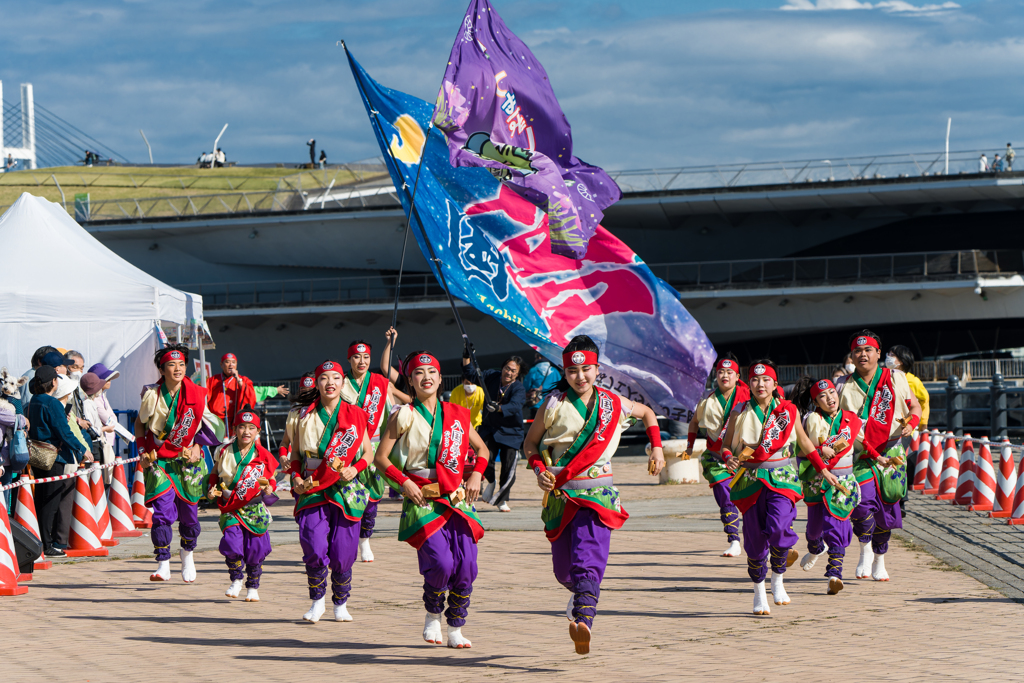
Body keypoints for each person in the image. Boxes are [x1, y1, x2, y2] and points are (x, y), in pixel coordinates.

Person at [523, 335, 665, 654]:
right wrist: (537, 470)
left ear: (597, 369)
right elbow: (529, 444)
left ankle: (584, 619)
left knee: (588, 559)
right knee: (563, 569)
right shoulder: (553, 404)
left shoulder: (613, 403)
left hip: (598, 495)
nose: (580, 376)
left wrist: (657, 448)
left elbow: (647, 414)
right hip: (561, 496)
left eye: (586, 369)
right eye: (573, 371)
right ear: (564, 371)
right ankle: (580, 594)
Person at [373, 350, 489, 649]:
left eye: (432, 373)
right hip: (422, 497)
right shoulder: (403, 414)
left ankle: (456, 627)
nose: (426, 378)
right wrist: (404, 482)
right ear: (410, 381)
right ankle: (432, 615)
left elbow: (483, 451)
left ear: (440, 378)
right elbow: (381, 459)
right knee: (441, 563)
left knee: (467, 566)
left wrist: (476, 474)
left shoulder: (457, 414)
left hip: (457, 497)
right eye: (418, 374)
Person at [723, 360, 819, 616]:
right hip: (750, 480)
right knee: (754, 539)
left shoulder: (788, 411)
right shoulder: (739, 410)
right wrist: (727, 457)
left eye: (766, 379)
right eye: (754, 379)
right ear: (749, 384)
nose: (760, 384)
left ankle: (777, 580)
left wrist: (823, 469)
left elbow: (805, 442)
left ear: (775, 384)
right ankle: (758, 591)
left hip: (782, 478)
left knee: (778, 527)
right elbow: (726, 445)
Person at [287, 359, 375, 623]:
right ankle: (317, 601)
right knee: (313, 544)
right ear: (317, 382)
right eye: (324, 378)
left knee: (343, 550)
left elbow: (369, 453)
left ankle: (341, 602)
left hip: (345, 488)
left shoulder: (356, 414)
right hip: (312, 485)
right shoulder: (302, 414)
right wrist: (294, 474)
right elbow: (294, 453)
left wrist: (356, 467)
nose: (330, 383)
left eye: (336, 377)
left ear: (343, 382)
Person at [836, 330, 921, 582]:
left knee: (887, 506)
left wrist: (912, 422)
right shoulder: (842, 385)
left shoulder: (895, 377)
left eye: (868, 350)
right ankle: (864, 550)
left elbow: (914, 406)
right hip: (860, 455)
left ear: (878, 354)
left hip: (892, 450)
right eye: (858, 351)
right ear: (852, 355)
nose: (863, 355)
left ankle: (880, 556)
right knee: (861, 503)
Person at [134, 345, 210, 583]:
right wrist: (142, 450)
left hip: (188, 463)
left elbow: (210, 427)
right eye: (171, 365)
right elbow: (139, 425)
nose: (177, 369)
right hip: (160, 462)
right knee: (162, 515)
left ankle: (187, 555)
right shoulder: (152, 395)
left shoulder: (198, 394)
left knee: (190, 517)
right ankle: (163, 563)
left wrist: (198, 447)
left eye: (181, 365)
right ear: (162, 369)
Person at [339, 340, 409, 563]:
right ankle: (343, 543)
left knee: (373, 497)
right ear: (349, 359)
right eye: (357, 357)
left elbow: (405, 404)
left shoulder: (380, 382)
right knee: (345, 497)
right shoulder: (339, 383)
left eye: (366, 357)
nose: (362, 361)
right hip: (346, 448)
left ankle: (364, 539)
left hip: (375, 446)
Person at [794, 378, 862, 595]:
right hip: (817, 479)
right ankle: (815, 548)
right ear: (815, 401)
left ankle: (835, 573)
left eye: (832, 392)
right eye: (823, 396)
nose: (829, 398)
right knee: (814, 529)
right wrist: (820, 449)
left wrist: (879, 457)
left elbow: (864, 442)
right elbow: (801, 448)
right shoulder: (810, 419)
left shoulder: (850, 420)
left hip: (843, 478)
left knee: (837, 523)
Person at [209, 405, 278, 602]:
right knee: (231, 542)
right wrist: (211, 488)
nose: (246, 431)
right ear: (234, 429)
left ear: (258, 431)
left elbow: (271, 478)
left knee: (256, 549)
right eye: (241, 427)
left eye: (251, 427)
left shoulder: (263, 454)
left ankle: (253, 586)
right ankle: (236, 578)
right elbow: (214, 473)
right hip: (230, 505)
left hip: (254, 506)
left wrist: (269, 488)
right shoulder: (223, 451)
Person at [685, 355, 748, 557]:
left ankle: (757, 540)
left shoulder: (748, 396)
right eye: (721, 372)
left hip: (744, 459)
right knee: (725, 494)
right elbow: (694, 422)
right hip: (717, 458)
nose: (725, 376)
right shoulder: (707, 400)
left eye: (730, 372)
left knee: (751, 501)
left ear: (738, 376)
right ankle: (734, 539)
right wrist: (689, 446)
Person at [28, 366, 89, 557]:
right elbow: (64, 432)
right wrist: (82, 449)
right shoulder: (52, 403)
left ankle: (40, 541)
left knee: (41, 499)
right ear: (53, 382)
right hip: (54, 456)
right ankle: (47, 545)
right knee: (51, 501)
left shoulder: (34, 401)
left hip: (38, 455)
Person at [463, 350, 525, 512]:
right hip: (490, 428)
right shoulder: (492, 376)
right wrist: (467, 357)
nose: (508, 372)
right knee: (484, 459)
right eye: (507, 368)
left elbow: (515, 406)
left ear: (517, 374)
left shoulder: (518, 388)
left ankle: (502, 499)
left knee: (507, 468)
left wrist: (498, 408)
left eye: (513, 371)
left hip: (511, 433)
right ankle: (490, 481)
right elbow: (470, 374)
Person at [208, 353, 289, 440]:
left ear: (236, 364)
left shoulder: (243, 380)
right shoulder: (213, 380)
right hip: (216, 421)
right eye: (227, 362)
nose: (231, 364)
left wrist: (238, 380)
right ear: (221, 364)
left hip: (234, 422)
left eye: (233, 362)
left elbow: (254, 392)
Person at [87, 363, 121, 482]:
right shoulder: (94, 399)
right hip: (101, 443)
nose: (110, 381)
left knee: (107, 478)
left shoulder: (102, 396)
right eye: (107, 378)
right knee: (102, 479)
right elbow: (109, 420)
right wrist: (109, 424)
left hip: (107, 442)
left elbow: (113, 419)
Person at [886, 345, 929, 430]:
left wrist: (923, 422)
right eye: (888, 354)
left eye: (892, 355)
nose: (888, 357)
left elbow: (925, 399)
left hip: (905, 428)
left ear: (902, 361)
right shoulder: (883, 376)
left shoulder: (913, 381)